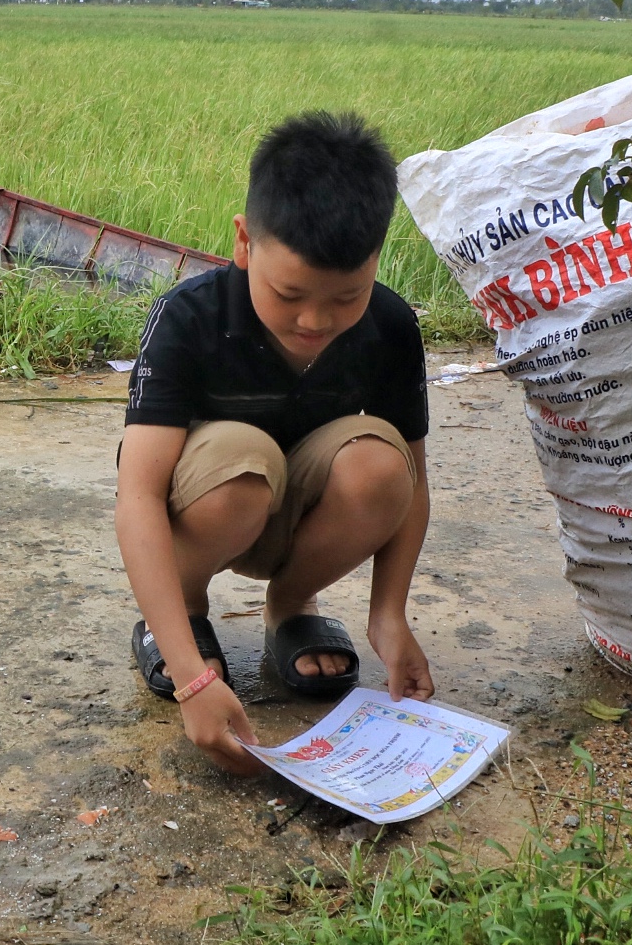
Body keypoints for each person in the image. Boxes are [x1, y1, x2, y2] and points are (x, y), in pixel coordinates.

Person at [114, 111, 433, 776]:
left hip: (302, 517)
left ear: (377, 259)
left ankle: (291, 605)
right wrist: (192, 679)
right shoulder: (189, 317)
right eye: (289, 294)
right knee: (243, 464)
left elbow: (415, 483)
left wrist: (389, 615)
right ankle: (183, 614)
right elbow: (138, 494)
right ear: (243, 242)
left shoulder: (391, 326)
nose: (315, 320)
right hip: (214, 506)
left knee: (385, 464)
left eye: (347, 296)